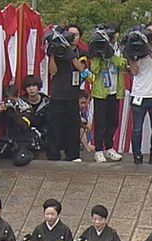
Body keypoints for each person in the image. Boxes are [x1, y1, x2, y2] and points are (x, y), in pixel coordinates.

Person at [128, 24, 152, 165]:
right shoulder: (136, 47)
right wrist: (133, 56)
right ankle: (137, 156)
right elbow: (134, 72)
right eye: (150, 32)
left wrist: (149, 52)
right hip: (139, 93)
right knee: (137, 128)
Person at [88, 29, 127, 164]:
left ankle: (109, 147)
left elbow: (123, 64)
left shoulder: (119, 49)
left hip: (115, 92)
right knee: (100, 123)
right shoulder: (97, 48)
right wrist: (98, 55)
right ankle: (98, 150)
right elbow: (94, 69)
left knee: (113, 121)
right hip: (101, 93)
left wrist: (110, 55)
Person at [46, 28, 85, 163]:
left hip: (73, 94)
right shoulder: (58, 50)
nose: (73, 37)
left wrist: (71, 54)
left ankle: (73, 154)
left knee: (73, 126)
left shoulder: (81, 52)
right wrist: (52, 54)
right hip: (57, 94)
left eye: (76, 35)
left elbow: (81, 68)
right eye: (70, 34)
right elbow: (53, 71)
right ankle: (53, 154)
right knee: (55, 126)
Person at [0, 84, 41, 167]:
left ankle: (29, 153)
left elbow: (24, 126)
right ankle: (12, 152)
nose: (9, 102)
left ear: (17, 96)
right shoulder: (4, 106)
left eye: (12, 99)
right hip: (8, 139)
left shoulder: (25, 107)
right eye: (7, 99)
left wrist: (14, 113)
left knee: (19, 161)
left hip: (23, 140)